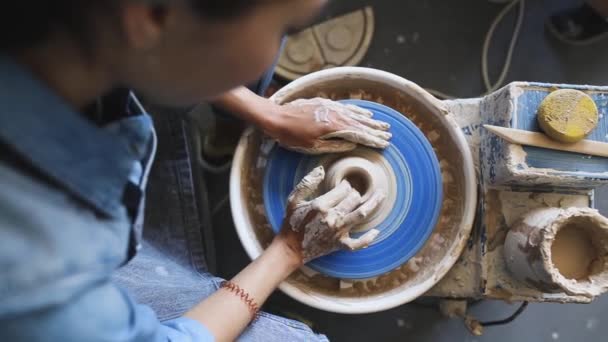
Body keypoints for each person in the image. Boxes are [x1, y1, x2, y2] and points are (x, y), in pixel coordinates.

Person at [0, 1, 392, 341]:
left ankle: (224, 136)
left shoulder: (80, 28)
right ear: (154, 14)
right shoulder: (40, 275)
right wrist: (288, 250)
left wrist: (265, 111)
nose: (281, 42)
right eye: (285, 29)